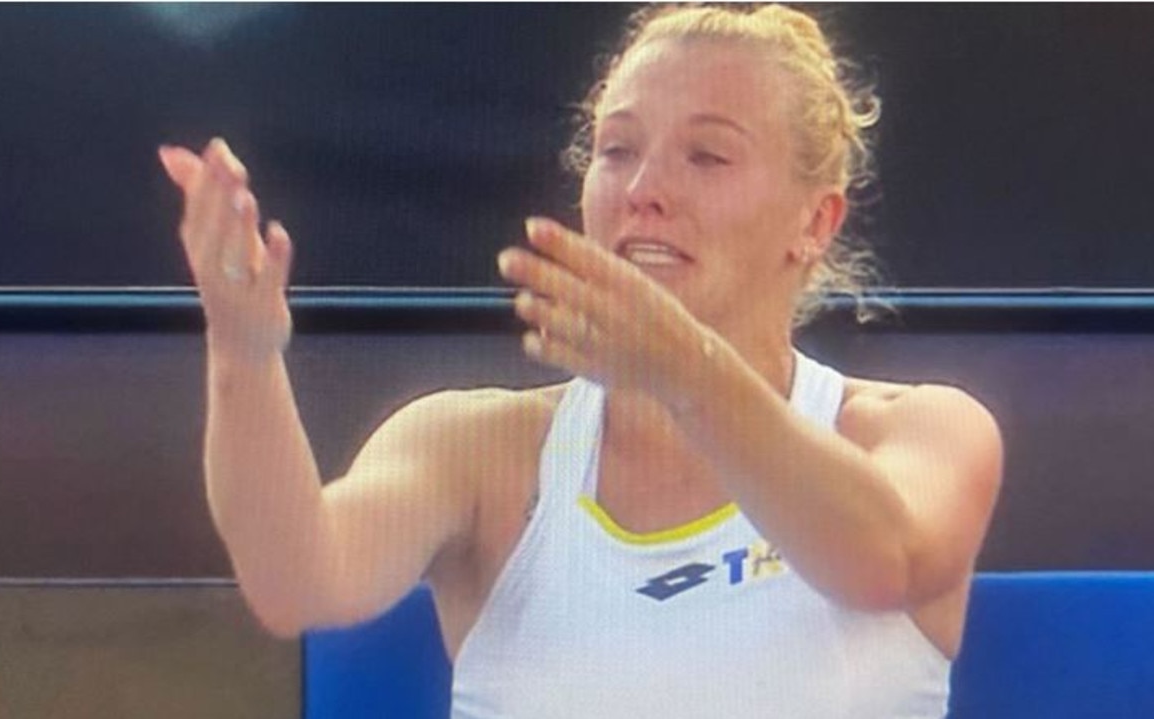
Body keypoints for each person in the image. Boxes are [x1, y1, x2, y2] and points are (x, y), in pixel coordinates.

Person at [158, 4, 1001, 717]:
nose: (644, 189)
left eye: (705, 155)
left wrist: (686, 372)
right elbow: (297, 581)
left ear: (814, 223)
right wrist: (243, 352)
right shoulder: (477, 448)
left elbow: (883, 562)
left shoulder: (922, 428)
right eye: (617, 150)